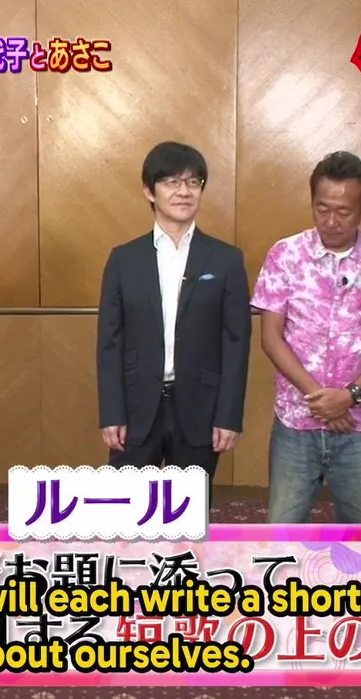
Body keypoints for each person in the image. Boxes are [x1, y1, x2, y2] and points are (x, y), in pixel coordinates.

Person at [252, 152, 361, 525]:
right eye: (321, 209)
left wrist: (349, 397)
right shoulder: (285, 255)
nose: (330, 221)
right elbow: (271, 338)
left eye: (343, 212)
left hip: (360, 425)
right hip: (296, 423)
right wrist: (322, 400)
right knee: (282, 532)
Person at [96, 141, 252, 490]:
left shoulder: (226, 260)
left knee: (189, 511)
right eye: (172, 182)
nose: (184, 191)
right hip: (136, 410)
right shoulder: (123, 260)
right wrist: (112, 412)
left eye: (193, 182)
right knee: (127, 511)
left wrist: (229, 416)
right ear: (149, 191)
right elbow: (109, 342)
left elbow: (236, 343)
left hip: (200, 409)